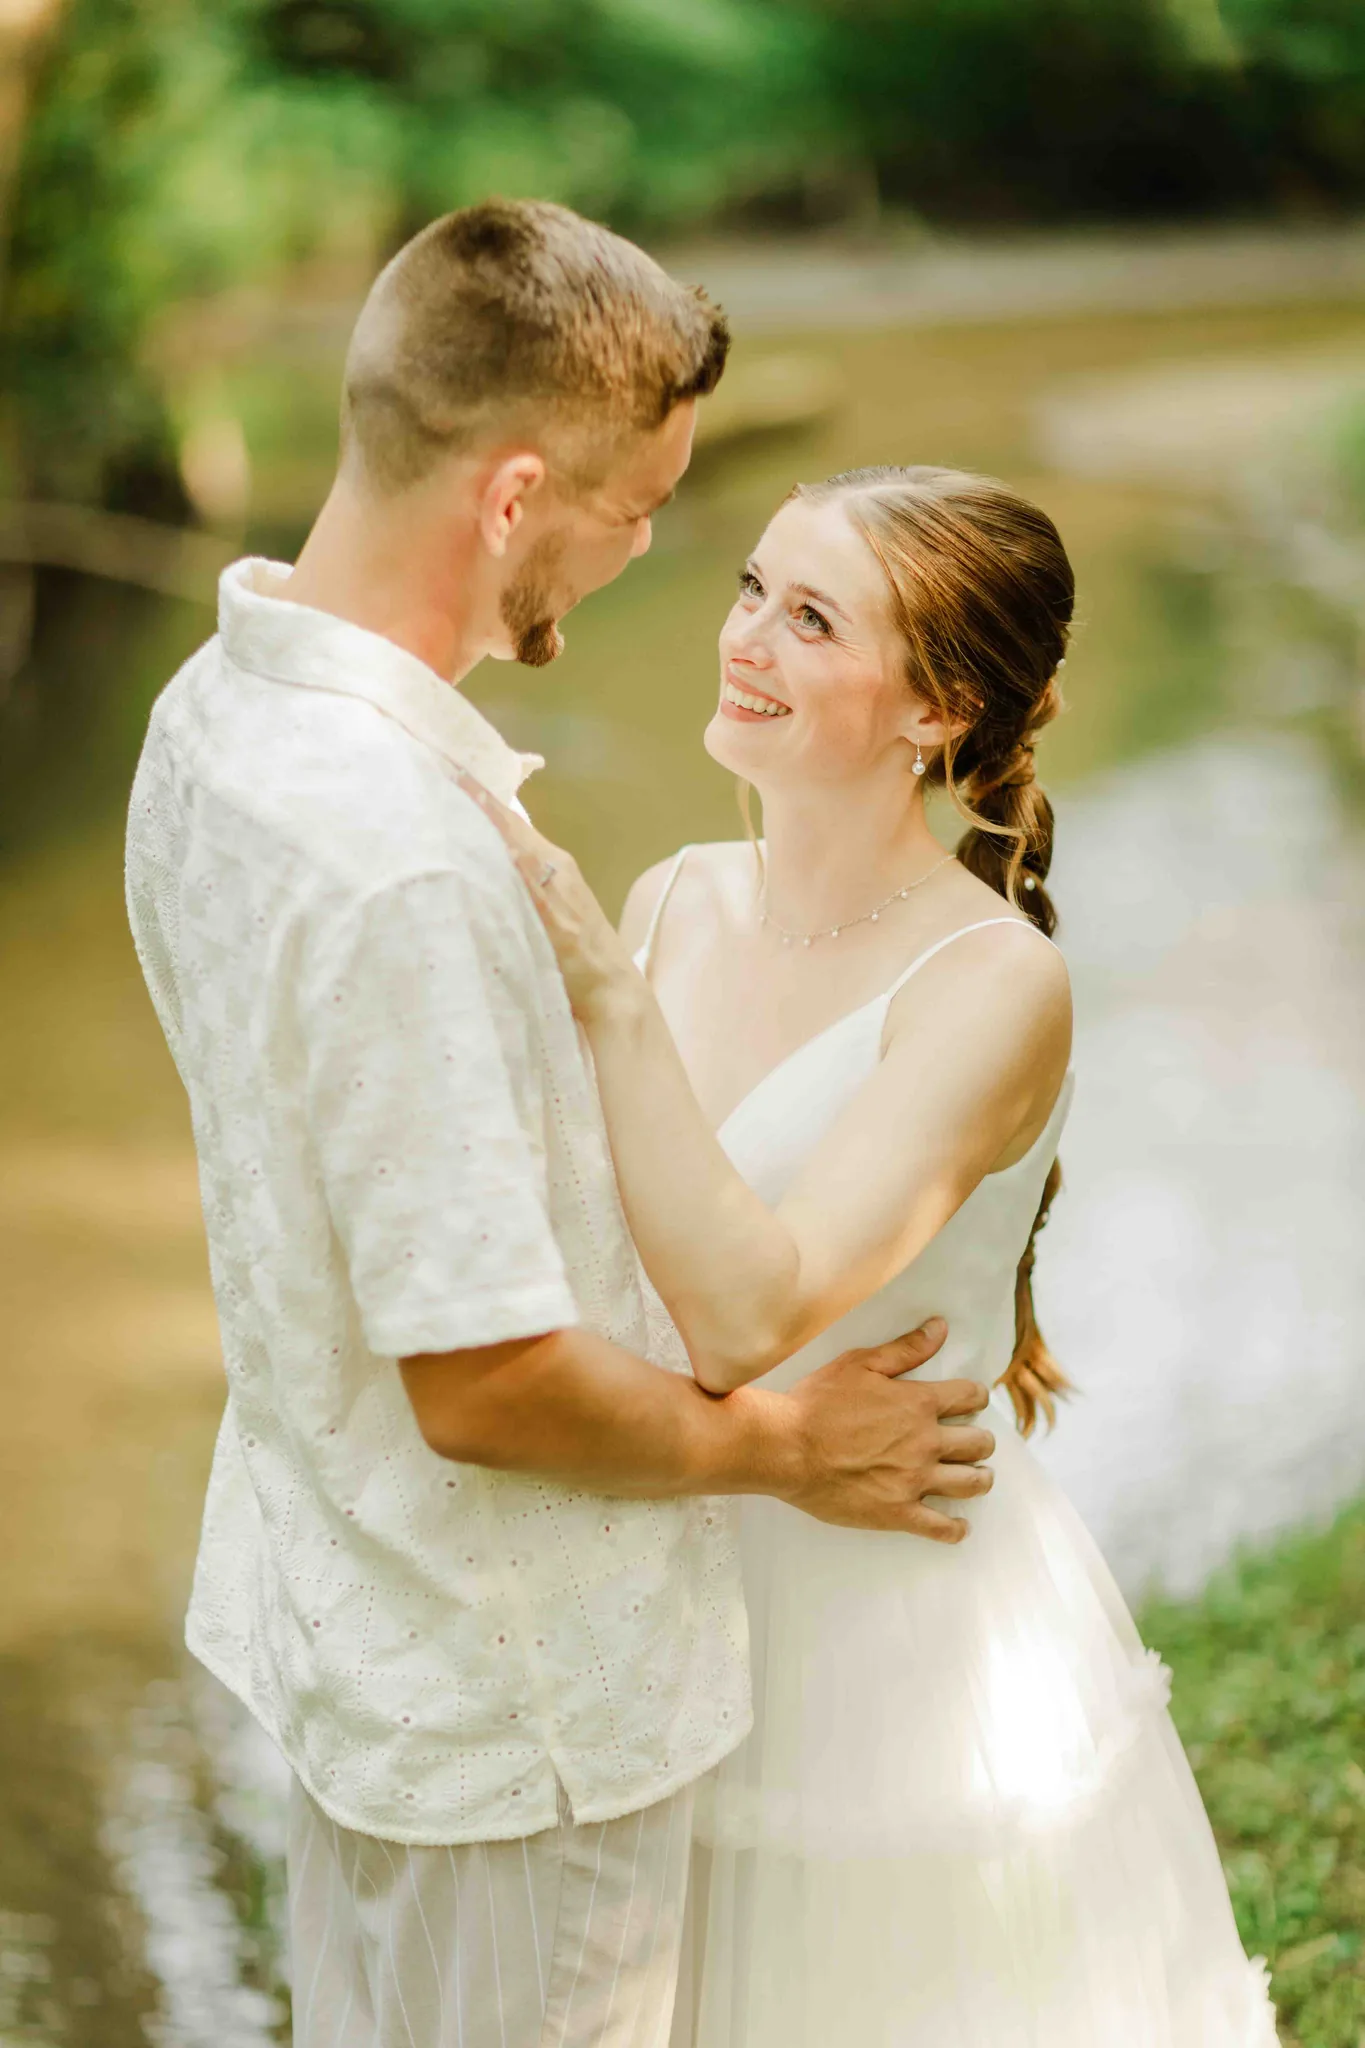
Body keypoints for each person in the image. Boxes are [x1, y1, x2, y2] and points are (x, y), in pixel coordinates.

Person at [124, 205, 998, 2048]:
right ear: (515, 497)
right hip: (520, 1715)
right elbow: (489, 1382)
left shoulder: (204, 718)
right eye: (640, 506)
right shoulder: (400, 865)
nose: (655, 554)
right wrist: (785, 1449)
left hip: (367, 1639)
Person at [478, 464, 1280, 2045]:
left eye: (813, 616)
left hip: (895, 1643)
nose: (748, 639)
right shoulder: (673, 899)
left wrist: (603, 997)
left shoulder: (994, 984)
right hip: (674, 1582)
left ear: (940, 709)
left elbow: (742, 1308)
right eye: (750, 591)